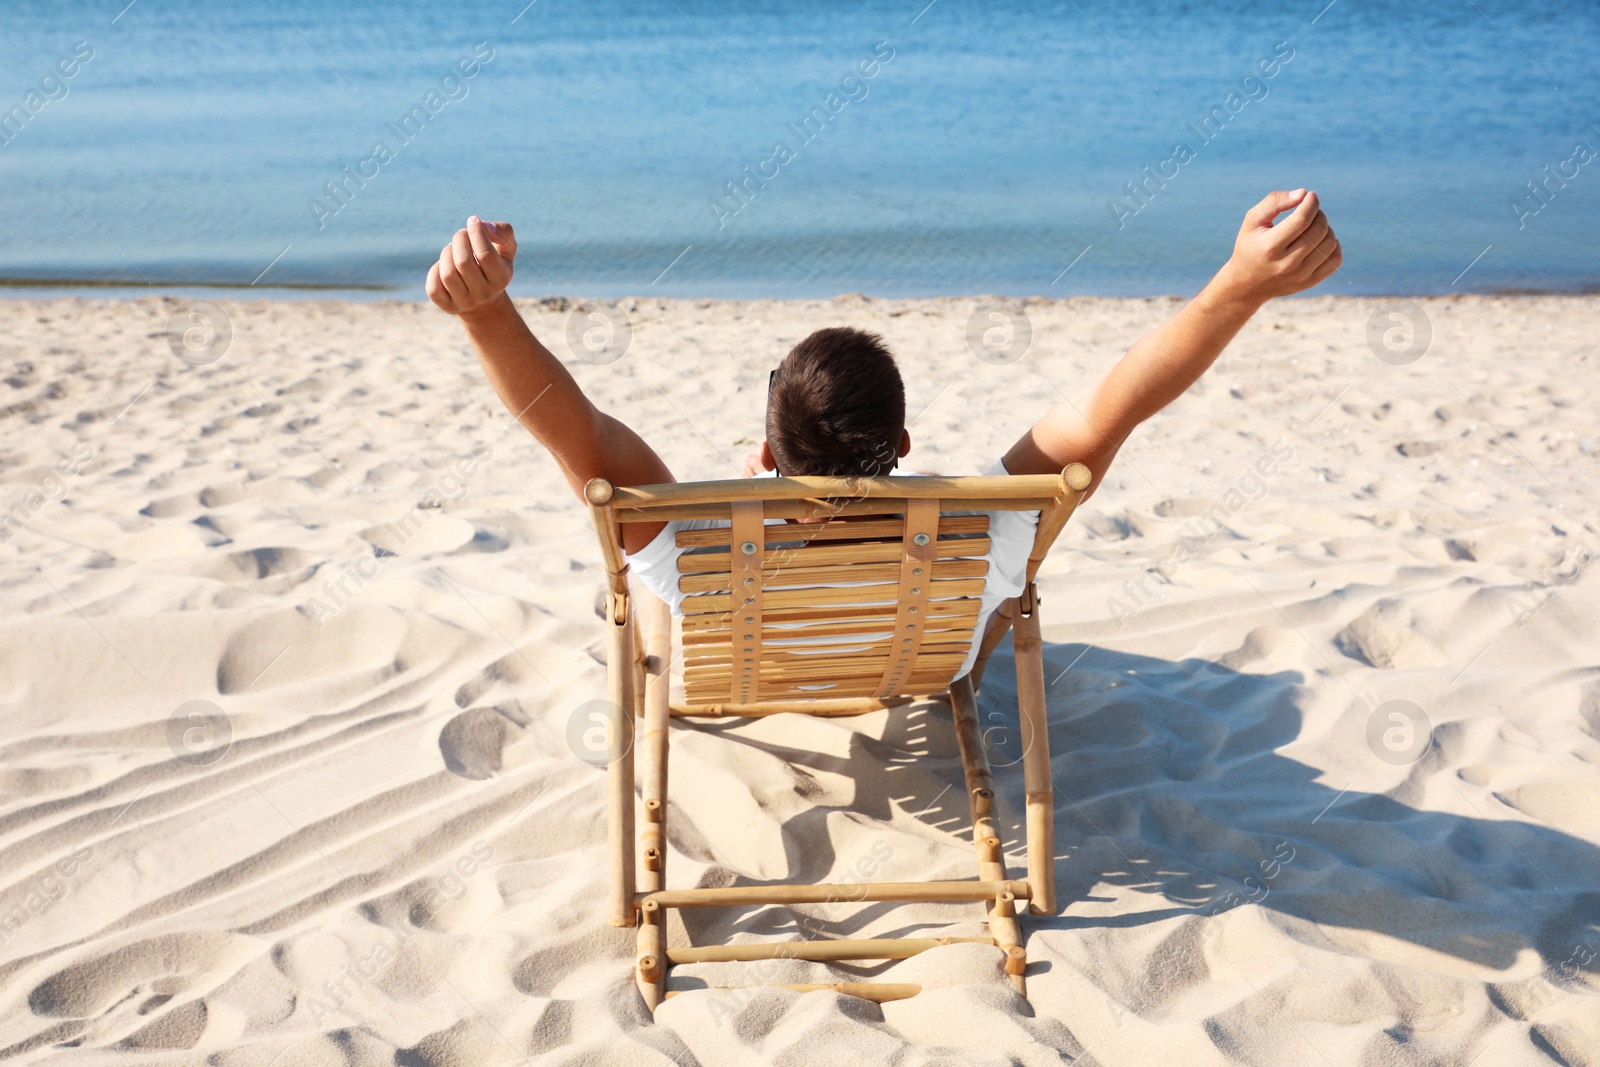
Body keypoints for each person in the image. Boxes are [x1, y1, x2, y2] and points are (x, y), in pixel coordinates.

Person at [424, 190, 1341, 675]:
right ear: (902, 447)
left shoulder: (684, 532)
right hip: (918, 662)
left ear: (764, 453)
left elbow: (565, 422)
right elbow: (1121, 398)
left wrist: (486, 312)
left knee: (634, 581)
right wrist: (1239, 285)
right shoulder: (989, 522)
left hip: (735, 661)